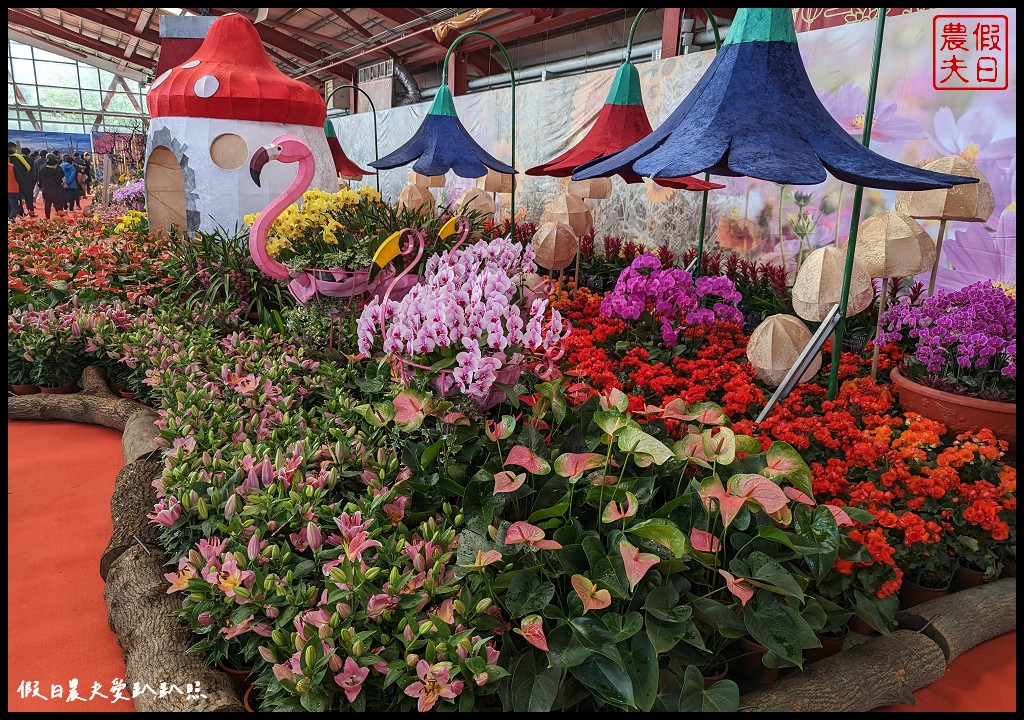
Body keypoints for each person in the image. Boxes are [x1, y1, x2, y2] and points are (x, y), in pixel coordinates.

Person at [8, 142, 34, 214]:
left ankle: (17, 214)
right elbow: (28, 167)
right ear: (13, 147)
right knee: (25, 196)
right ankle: (29, 212)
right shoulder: (17, 156)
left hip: (10, 183)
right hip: (20, 180)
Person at [38, 153, 66, 219]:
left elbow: (40, 180)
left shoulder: (42, 169)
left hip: (45, 189)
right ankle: (60, 216)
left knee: (47, 204)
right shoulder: (54, 171)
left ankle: (47, 216)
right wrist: (63, 181)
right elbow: (59, 180)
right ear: (54, 164)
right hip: (55, 190)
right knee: (57, 204)